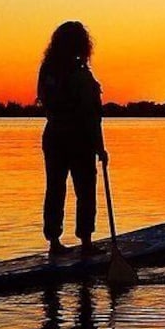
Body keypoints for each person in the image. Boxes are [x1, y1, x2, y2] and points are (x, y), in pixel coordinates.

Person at [37, 21, 108, 256]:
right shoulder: (78, 74)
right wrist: (100, 147)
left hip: (55, 136)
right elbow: (91, 115)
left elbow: (47, 100)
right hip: (78, 139)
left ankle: (54, 242)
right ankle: (85, 242)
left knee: (55, 188)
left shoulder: (48, 69)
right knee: (85, 189)